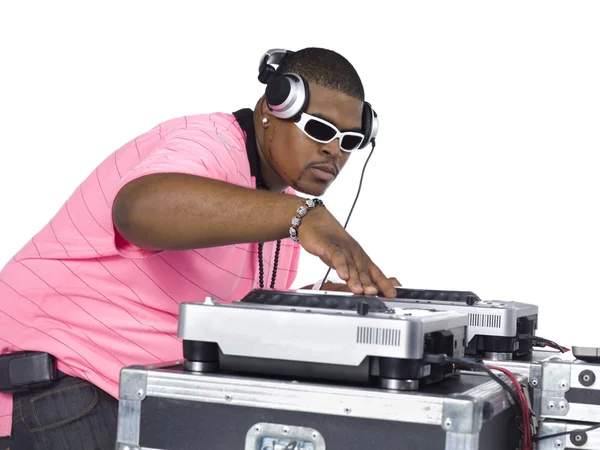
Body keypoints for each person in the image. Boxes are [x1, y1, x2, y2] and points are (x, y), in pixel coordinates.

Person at [0, 47, 400, 449]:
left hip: (117, 394)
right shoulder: (210, 144)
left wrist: (316, 304)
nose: (335, 150)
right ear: (272, 108)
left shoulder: (277, 211)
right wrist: (302, 216)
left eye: (350, 140)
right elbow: (138, 209)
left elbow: (219, 310)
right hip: (58, 390)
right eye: (319, 130)